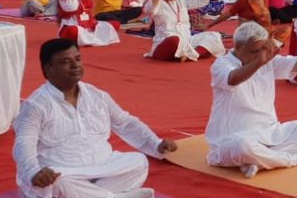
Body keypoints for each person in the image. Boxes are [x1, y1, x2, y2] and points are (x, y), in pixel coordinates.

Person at [13, 39, 177, 198]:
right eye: (65, 62)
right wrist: (33, 172)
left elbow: (126, 123)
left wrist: (155, 143)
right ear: (48, 69)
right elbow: (24, 143)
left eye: (78, 59)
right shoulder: (35, 106)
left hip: (102, 166)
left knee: (139, 162)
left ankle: (97, 195)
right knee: (57, 183)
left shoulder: (97, 96)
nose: (75, 65)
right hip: (65, 171)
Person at [205, 22, 297, 178]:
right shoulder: (221, 64)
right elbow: (233, 79)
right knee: (242, 146)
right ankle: (294, 159)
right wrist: (259, 62)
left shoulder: (266, 59)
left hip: (269, 133)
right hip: (232, 140)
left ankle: (259, 162)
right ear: (238, 47)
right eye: (254, 51)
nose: (260, 54)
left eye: (262, 49)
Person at [143, 0, 227, 61]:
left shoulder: (181, 1)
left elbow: (203, 1)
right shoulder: (158, 3)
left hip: (187, 40)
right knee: (174, 40)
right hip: (165, 41)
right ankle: (191, 54)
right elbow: (149, 10)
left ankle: (189, 55)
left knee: (214, 36)